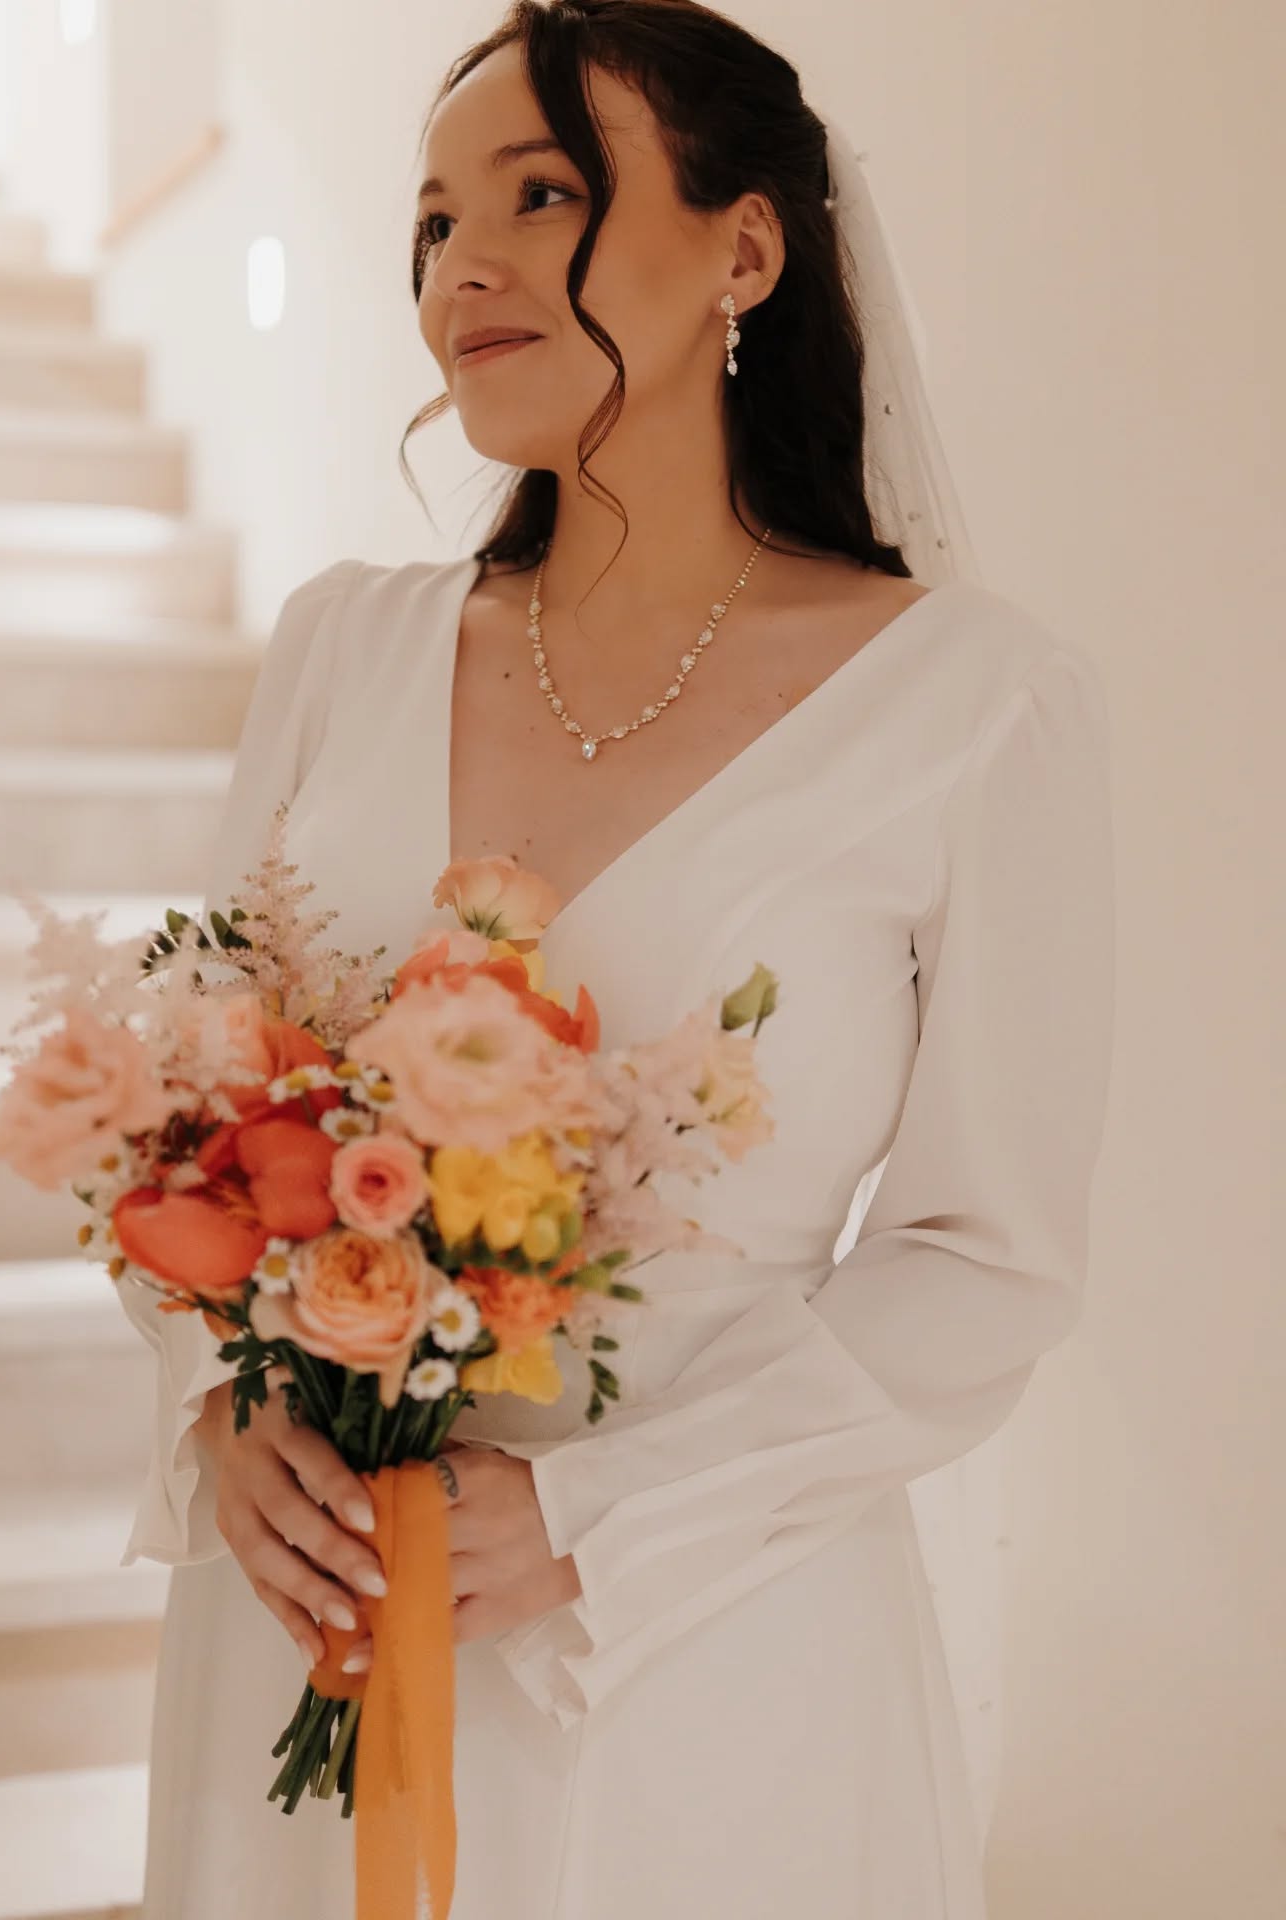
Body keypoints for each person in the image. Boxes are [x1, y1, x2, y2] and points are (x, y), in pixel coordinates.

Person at [114, 4, 1116, 1916]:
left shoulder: (979, 710)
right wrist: (224, 1408)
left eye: (543, 194)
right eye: (431, 223)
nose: (460, 266)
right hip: (306, 1620)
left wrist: (590, 1518)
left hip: (704, 1657)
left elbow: (989, 1261)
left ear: (747, 248)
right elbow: (194, 1123)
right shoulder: (346, 647)